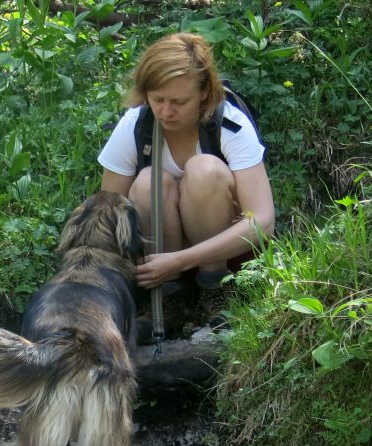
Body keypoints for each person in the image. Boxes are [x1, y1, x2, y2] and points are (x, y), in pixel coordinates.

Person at [98, 32, 275, 337]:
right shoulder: (136, 125)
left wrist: (180, 259)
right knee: (147, 181)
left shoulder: (229, 124)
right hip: (156, 269)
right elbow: (106, 210)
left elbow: (263, 222)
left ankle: (217, 290)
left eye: (179, 102)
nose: (166, 112)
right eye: (158, 100)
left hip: (228, 259)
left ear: (205, 92)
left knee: (204, 169)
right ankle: (167, 300)